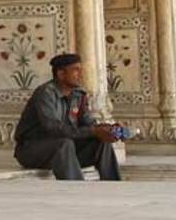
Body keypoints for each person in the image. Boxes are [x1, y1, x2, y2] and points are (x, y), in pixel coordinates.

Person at [13, 52, 123, 181]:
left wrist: (107, 129)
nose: (80, 74)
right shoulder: (45, 94)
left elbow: (88, 124)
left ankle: (114, 186)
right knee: (64, 144)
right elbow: (53, 128)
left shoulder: (78, 95)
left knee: (101, 143)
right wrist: (93, 131)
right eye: (76, 70)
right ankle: (75, 190)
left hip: (65, 151)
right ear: (61, 74)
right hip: (31, 150)